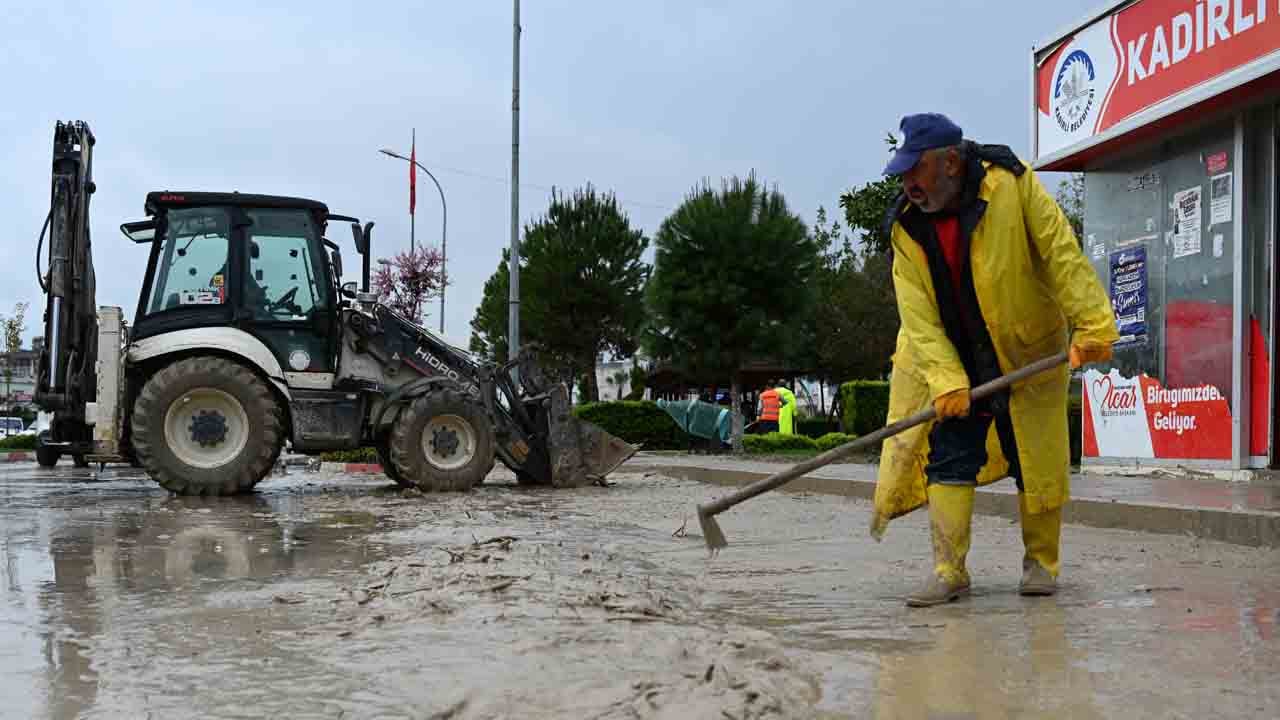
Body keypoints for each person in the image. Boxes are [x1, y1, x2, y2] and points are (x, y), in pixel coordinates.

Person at [874, 113, 1118, 607]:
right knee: (948, 458)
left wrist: (1093, 323)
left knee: (1036, 462)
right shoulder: (905, 228)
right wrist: (944, 380)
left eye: (915, 170)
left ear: (949, 162)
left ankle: (1041, 565)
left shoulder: (1011, 184)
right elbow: (917, 318)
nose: (908, 184)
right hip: (954, 361)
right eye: (902, 173)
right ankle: (948, 571)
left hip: (1023, 351)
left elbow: (1059, 252)